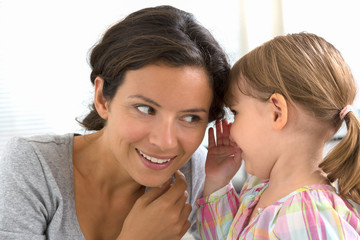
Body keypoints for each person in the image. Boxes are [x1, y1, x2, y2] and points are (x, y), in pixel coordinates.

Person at [0, 5, 231, 240]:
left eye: (191, 118)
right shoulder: (32, 167)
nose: (166, 142)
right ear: (102, 99)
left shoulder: (196, 172)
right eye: (146, 109)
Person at [196, 32, 360, 239]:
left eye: (236, 112)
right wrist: (217, 182)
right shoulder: (260, 187)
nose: (230, 127)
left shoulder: (306, 215)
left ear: (277, 113)